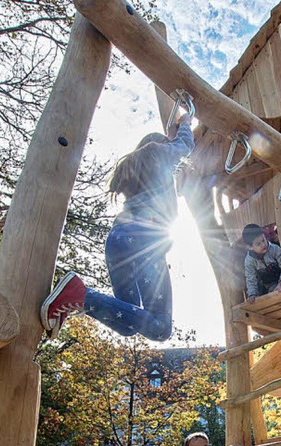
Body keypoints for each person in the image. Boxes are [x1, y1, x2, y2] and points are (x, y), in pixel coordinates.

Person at [40, 113, 195, 341]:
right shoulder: (158, 153)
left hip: (119, 241)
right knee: (161, 327)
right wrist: (185, 124)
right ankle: (78, 293)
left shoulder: (135, 167)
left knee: (127, 323)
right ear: (162, 147)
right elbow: (185, 145)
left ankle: (72, 299)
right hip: (145, 243)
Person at [242, 223, 281, 304]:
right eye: (258, 244)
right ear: (250, 247)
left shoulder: (274, 249)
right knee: (271, 296)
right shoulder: (249, 261)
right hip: (269, 285)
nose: (263, 244)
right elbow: (250, 278)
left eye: (263, 240)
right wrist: (252, 294)